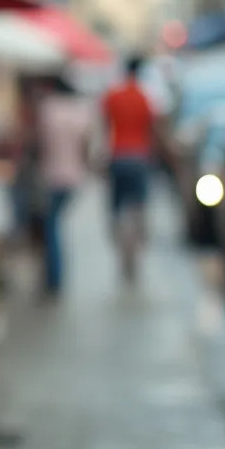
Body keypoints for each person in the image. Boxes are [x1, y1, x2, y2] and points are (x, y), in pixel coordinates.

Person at [36, 74, 93, 296]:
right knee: (55, 225)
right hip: (74, 176)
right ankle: (55, 275)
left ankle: (54, 277)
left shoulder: (48, 108)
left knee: (52, 226)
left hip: (51, 175)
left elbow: (40, 142)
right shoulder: (80, 111)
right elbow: (85, 146)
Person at [101, 56, 155, 281]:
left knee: (116, 209)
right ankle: (133, 252)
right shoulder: (145, 98)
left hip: (117, 156)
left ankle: (122, 251)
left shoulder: (113, 96)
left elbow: (105, 127)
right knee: (137, 209)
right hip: (139, 158)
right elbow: (151, 129)